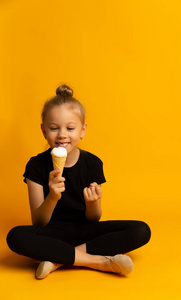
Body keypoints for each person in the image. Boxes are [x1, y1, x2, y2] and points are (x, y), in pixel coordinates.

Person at [7, 85, 151, 279]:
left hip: (86, 231)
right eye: (54, 128)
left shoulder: (92, 163)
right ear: (43, 131)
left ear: (82, 130)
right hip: (52, 233)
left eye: (70, 128)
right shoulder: (36, 166)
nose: (62, 135)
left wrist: (93, 203)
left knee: (141, 230)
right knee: (15, 236)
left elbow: (93, 219)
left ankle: (58, 259)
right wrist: (52, 197)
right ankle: (101, 262)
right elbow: (39, 222)